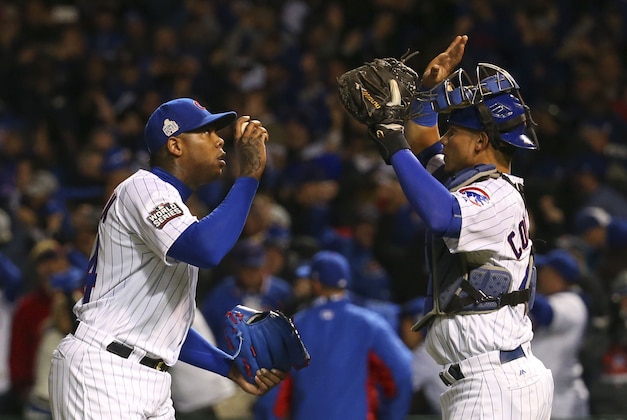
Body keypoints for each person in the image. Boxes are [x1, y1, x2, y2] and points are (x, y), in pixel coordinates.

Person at [48, 97, 286, 419]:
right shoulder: (145, 186)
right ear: (175, 145)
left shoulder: (174, 213)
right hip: (104, 369)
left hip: (147, 377)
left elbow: (165, 329)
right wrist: (250, 175)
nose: (219, 140)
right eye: (206, 132)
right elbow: (205, 249)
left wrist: (227, 366)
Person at [354, 35, 554, 419]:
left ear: (481, 142)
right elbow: (423, 142)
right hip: (488, 382)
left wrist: (392, 138)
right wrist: (428, 91)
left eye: (455, 133)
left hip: (495, 384)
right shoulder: (471, 184)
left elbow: (440, 214)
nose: (445, 138)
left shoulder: (496, 196)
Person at [262, 250, 412, 420]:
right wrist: (390, 415)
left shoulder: (294, 326)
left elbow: (273, 392)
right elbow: (402, 371)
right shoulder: (369, 324)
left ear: (316, 284)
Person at [529, 248, 589, 419]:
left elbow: (545, 313)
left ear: (558, 276)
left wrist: (519, 284)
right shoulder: (551, 298)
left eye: (546, 272)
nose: (541, 277)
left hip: (562, 403)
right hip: (542, 399)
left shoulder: (573, 303)